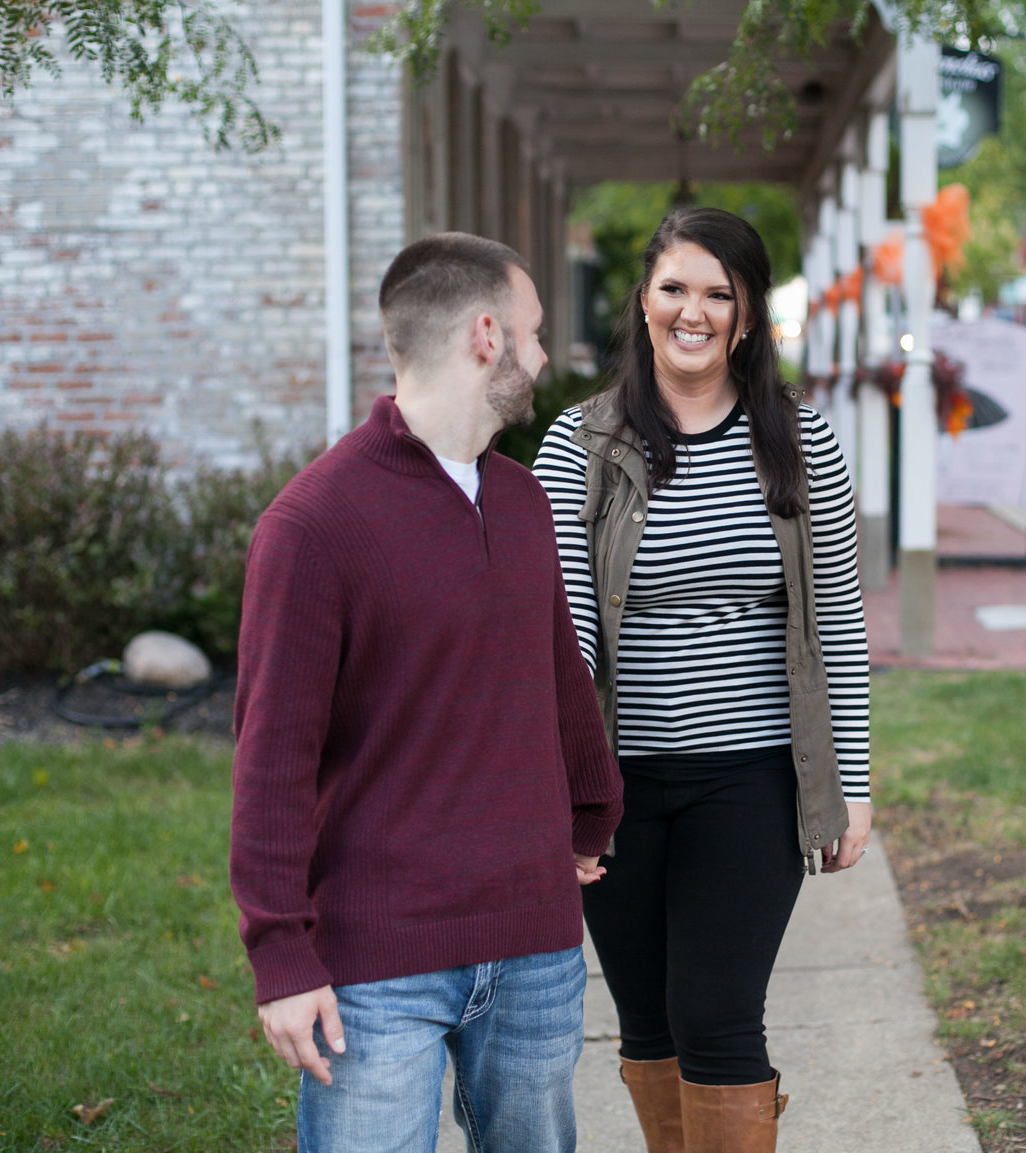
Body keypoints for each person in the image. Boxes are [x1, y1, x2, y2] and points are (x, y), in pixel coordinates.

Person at [230, 232, 624, 1151]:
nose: (540, 357)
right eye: (530, 333)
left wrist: (590, 816)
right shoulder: (314, 525)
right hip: (379, 960)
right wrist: (281, 953)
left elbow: (560, 681)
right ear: (485, 334)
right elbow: (272, 758)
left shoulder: (523, 503)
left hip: (534, 945)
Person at [531, 206, 872, 1152]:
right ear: (644, 300)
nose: (696, 310)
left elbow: (835, 623)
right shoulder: (581, 443)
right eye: (676, 287)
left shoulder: (801, 439)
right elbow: (564, 632)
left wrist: (853, 786)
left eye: (720, 293)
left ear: (751, 314)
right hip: (620, 779)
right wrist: (571, 792)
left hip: (752, 773)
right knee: (647, 1022)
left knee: (717, 1014)